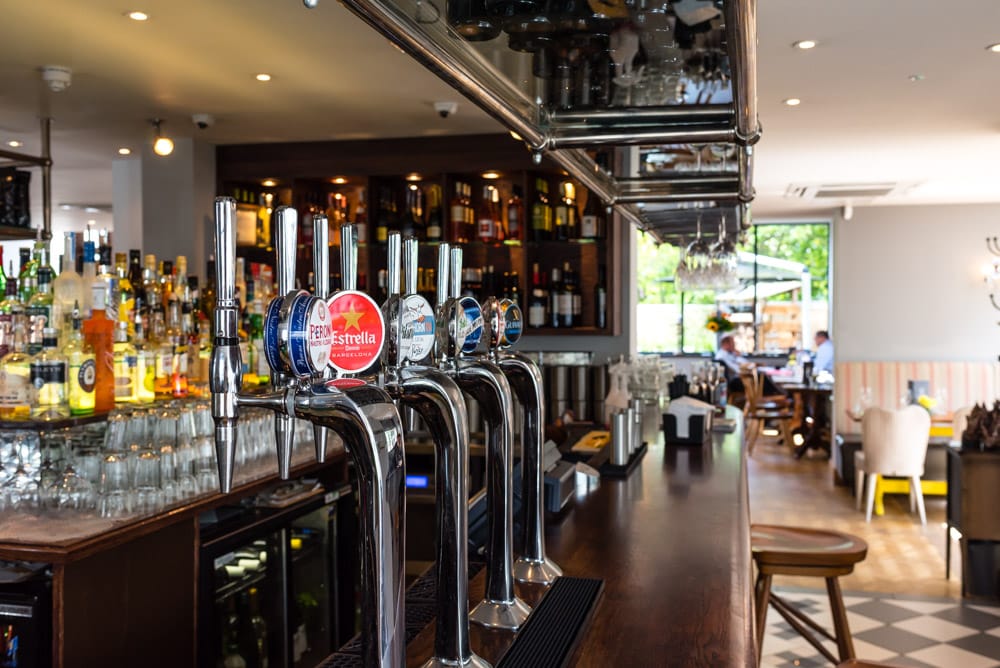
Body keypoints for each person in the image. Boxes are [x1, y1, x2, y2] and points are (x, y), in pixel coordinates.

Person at [715, 335, 785, 397]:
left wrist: (738, 356)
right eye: (733, 343)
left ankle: (778, 394)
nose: (734, 345)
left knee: (763, 375)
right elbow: (738, 370)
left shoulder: (730, 354)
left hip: (739, 378)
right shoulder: (722, 356)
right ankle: (776, 395)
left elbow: (745, 363)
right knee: (761, 376)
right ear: (726, 344)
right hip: (735, 382)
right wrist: (749, 366)